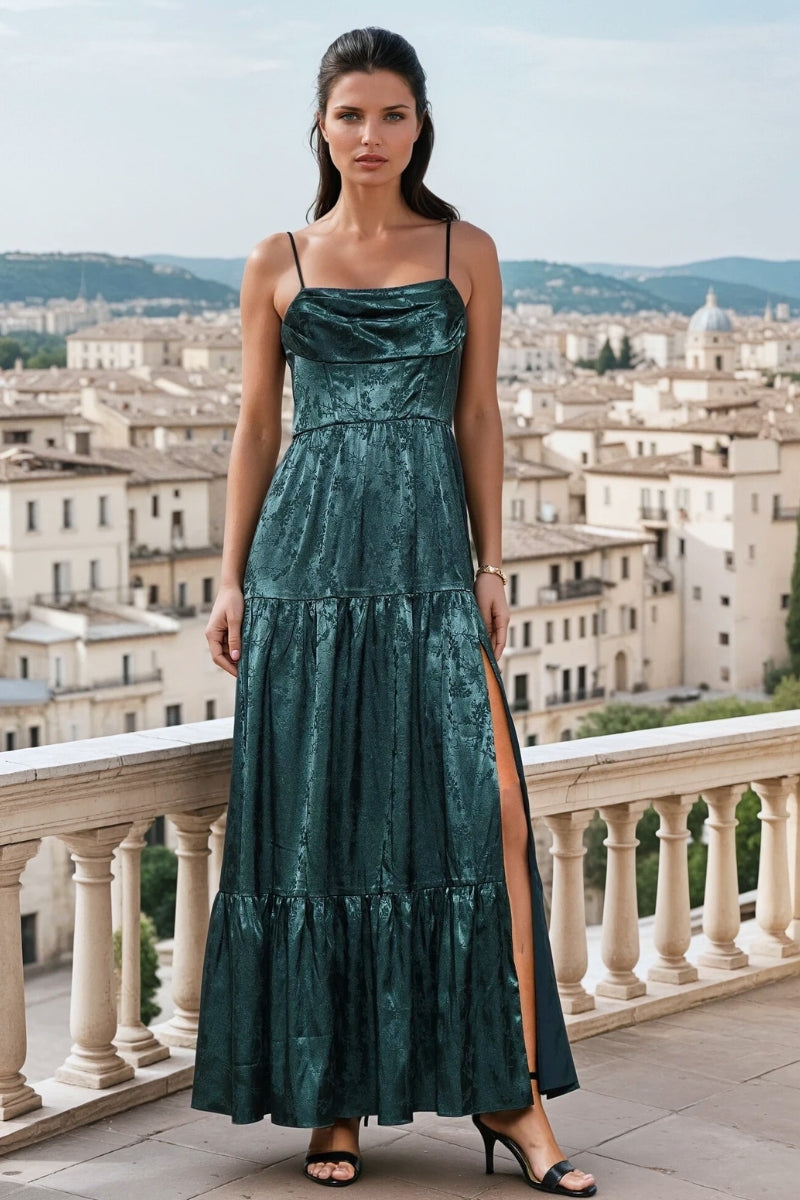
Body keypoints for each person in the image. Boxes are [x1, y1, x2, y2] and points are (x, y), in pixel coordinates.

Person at [191, 25, 597, 1197]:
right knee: (318, 823)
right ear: (319, 127)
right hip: (303, 567)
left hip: (427, 560)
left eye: (393, 115)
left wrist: (489, 559)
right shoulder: (278, 259)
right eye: (349, 115)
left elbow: (478, 417)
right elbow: (256, 428)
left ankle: (510, 1094)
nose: (370, 136)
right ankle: (333, 1098)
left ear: (422, 126)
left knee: (495, 822)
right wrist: (229, 579)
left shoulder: (465, 248)